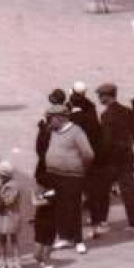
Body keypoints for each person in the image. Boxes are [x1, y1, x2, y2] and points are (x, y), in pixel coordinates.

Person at [89, 83, 134, 238]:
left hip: (112, 159)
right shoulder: (127, 111)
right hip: (127, 156)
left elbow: (107, 142)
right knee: (129, 191)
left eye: (100, 96)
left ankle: (101, 222)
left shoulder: (106, 116)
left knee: (101, 191)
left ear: (106, 96)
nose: (99, 99)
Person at [42, 104, 94, 254]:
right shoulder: (53, 131)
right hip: (55, 175)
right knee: (60, 206)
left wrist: (79, 167)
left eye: (50, 119)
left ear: (59, 118)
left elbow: (88, 153)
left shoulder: (76, 132)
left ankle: (78, 240)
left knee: (73, 207)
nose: (48, 122)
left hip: (72, 176)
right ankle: (64, 236)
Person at [0, 161, 23, 268]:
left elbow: (7, 202)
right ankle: (3, 262)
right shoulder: (0, 184)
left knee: (14, 239)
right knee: (2, 239)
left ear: (4, 175)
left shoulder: (13, 186)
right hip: (2, 216)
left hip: (10, 216)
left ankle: (17, 264)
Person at [32, 170, 58, 268]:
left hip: (50, 227)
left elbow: (36, 203)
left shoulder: (53, 195)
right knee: (37, 255)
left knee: (46, 255)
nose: (36, 186)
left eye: (38, 184)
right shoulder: (44, 193)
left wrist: (33, 194)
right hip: (40, 226)